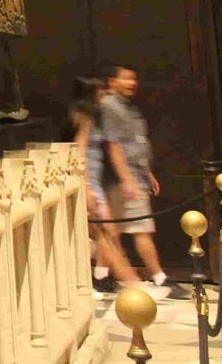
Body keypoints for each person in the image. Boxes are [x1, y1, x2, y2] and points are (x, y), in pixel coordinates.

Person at [100, 64, 179, 299]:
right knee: (140, 228)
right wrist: (128, 179)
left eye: (133, 78)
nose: (131, 82)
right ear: (112, 81)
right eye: (125, 78)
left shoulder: (126, 107)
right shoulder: (110, 106)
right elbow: (113, 145)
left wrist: (147, 173)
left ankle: (101, 277)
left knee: (113, 231)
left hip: (134, 175)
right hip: (123, 179)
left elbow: (135, 143)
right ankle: (159, 277)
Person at [63, 75, 139, 294]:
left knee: (107, 233)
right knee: (106, 234)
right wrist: (86, 188)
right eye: (100, 91)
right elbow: (80, 153)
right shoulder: (83, 118)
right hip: (87, 184)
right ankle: (131, 282)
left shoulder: (93, 117)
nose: (104, 94)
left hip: (93, 182)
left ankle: (105, 278)